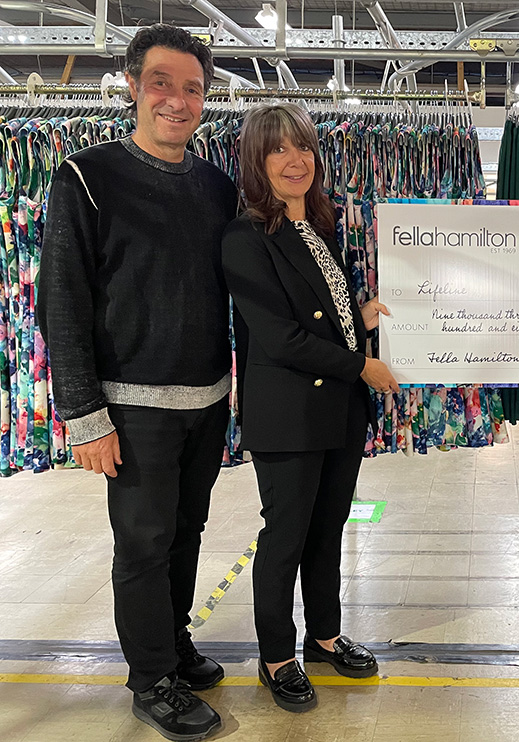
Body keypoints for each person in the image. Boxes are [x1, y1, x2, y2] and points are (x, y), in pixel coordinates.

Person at [37, 23, 236, 741]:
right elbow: (61, 297)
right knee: (144, 543)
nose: (177, 101)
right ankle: (152, 678)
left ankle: (174, 644)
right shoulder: (86, 175)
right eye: (162, 83)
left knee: (187, 532)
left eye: (191, 88)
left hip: (208, 399)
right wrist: (84, 414)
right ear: (131, 85)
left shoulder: (216, 185)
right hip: (132, 405)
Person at [221, 103, 400, 712]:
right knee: (287, 535)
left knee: (327, 529)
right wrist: (360, 365)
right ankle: (277, 655)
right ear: (256, 161)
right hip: (289, 414)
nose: (295, 161)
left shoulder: (320, 226)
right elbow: (280, 337)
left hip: (339, 412)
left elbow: (325, 311)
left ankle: (324, 635)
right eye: (278, 150)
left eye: (303, 148)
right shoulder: (245, 237)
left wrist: (361, 315)